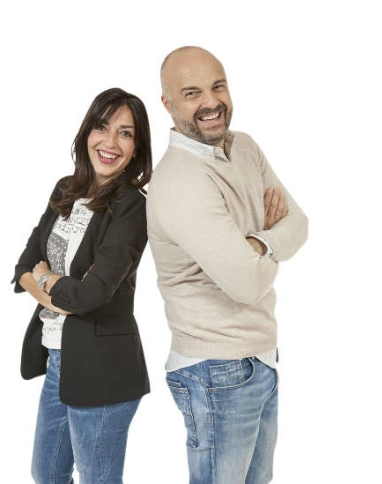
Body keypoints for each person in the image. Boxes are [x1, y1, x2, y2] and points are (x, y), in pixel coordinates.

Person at [146, 46, 309, 483]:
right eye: (192, 93)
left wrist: (255, 242)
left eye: (218, 86)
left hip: (258, 357)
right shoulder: (180, 180)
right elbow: (247, 283)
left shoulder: (245, 147)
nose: (211, 102)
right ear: (168, 104)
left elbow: (299, 224)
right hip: (215, 369)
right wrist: (269, 239)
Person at [11, 87, 152, 484]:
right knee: (47, 473)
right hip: (60, 361)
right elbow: (23, 266)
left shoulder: (132, 206)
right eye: (102, 127)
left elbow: (90, 296)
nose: (110, 142)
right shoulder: (64, 189)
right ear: (87, 131)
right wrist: (56, 291)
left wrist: (45, 279)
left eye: (125, 133)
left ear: (136, 148)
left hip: (104, 367)